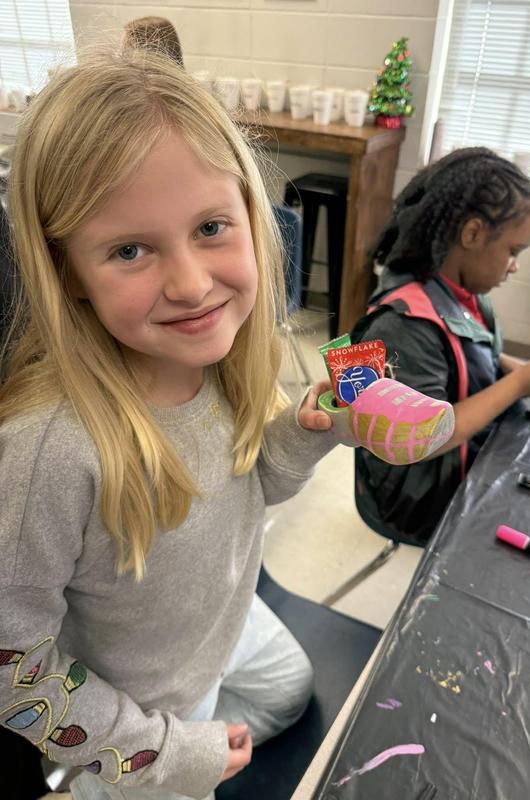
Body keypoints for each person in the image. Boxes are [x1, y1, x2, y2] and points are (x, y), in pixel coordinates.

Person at [0, 49, 336, 800]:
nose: (190, 285)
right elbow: (13, 679)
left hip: (218, 632)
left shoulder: (216, 361)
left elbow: (250, 488)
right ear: (67, 275)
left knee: (289, 692)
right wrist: (169, 754)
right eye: (129, 249)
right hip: (138, 706)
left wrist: (308, 432)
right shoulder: (47, 451)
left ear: (252, 217)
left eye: (212, 227)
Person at [352, 147, 530, 547]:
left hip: (460, 450)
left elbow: (477, 353)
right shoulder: (400, 326)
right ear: (471, 234)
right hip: (419, 495)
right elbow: (425, 435)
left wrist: (523, 368)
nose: (515, 266)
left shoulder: (463, 290)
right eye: (513, 251)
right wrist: (521, 382)